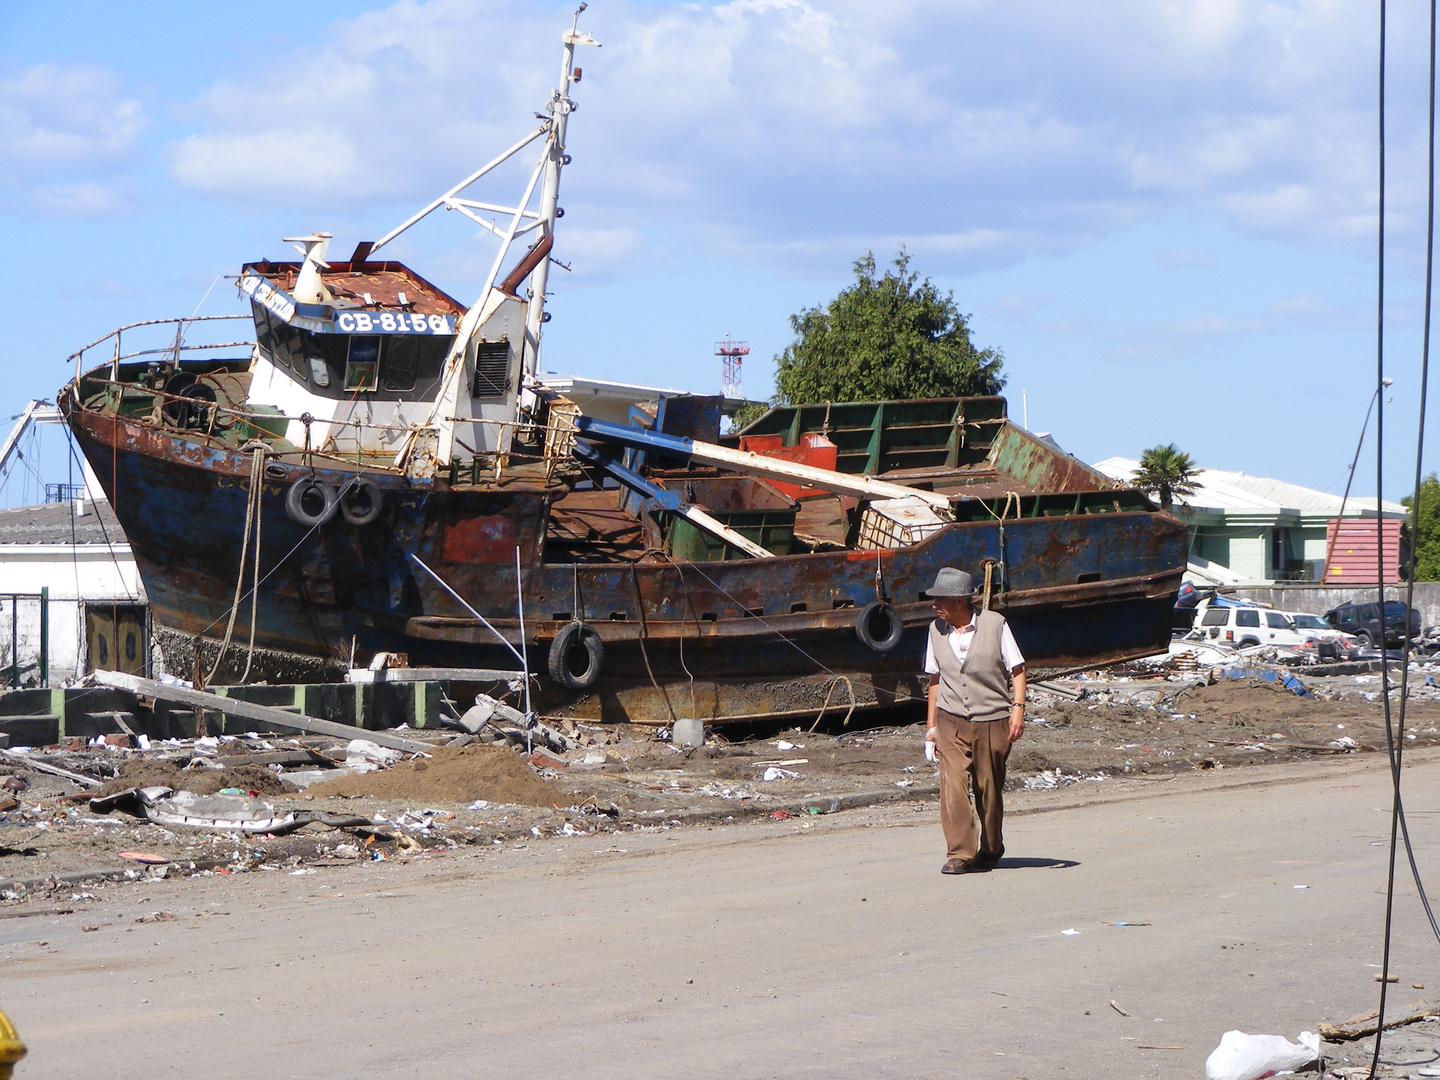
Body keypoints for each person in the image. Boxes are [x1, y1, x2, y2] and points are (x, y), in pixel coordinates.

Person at [922, 566, 1026, 875]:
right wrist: (931, 728)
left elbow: (1017, 669)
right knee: (952, 784)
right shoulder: (934, 630)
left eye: (939, 599)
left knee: (988, 788)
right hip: (950, 720)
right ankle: (960, 853)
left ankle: (992, 847)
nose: (933, 605)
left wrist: (1017, 709)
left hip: (992, 718)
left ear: (958, 601)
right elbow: (935, 680)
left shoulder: (995, 625)